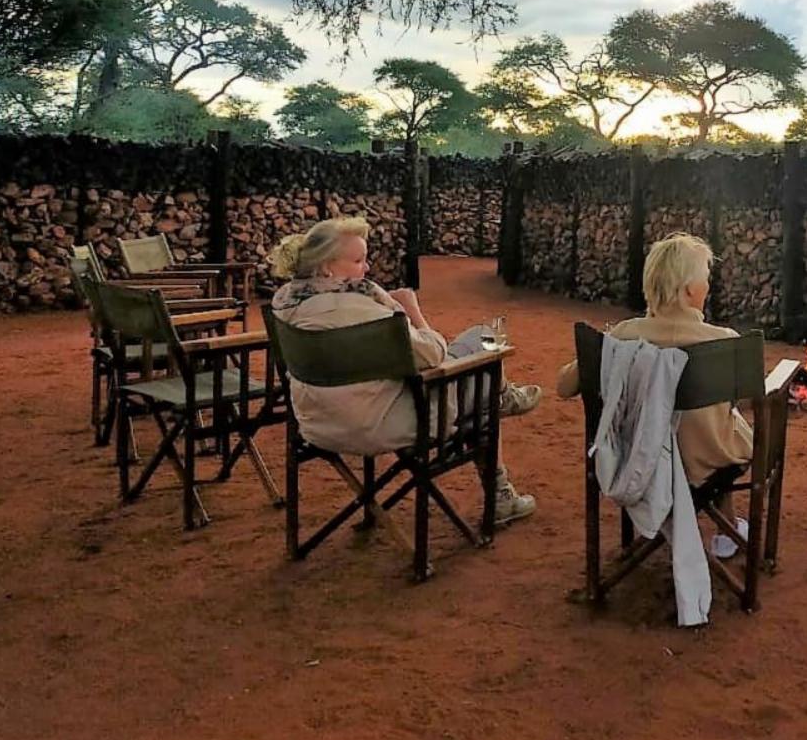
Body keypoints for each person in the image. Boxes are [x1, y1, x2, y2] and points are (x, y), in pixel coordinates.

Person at [267, 216, 537, 525]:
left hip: (317, 424)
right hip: (384, 424)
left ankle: (505, 398)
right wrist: (411, 309)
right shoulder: (363, 309)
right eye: (358, 260)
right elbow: (434, 354)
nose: (367, 268)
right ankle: (501, 477)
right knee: (484, 357)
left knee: (478, 355)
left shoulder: (284, 303)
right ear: (326, 267)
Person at [557, 232, 754, 557]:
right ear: (690, 290)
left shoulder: (622, 337)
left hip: (635, 460)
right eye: (706, 278)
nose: (708, 286)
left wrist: (604, 353)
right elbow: (747, 399)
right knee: (723, 424)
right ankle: (728, 530)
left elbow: (564, 386)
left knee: (695, 423)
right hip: (705, 461)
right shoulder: (724, 342)